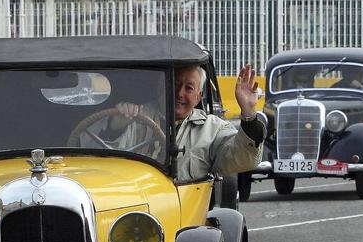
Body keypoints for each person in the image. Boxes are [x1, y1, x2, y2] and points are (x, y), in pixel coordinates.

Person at [109, 64, 265, 182]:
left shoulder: (212, 129)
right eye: (174, 85)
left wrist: (249, 114)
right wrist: (115, 126)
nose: (179, 94)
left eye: (188, 88)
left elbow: (244, 159)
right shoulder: (133, 116)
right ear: (160, 88)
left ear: (198, 97)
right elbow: (99, 161)